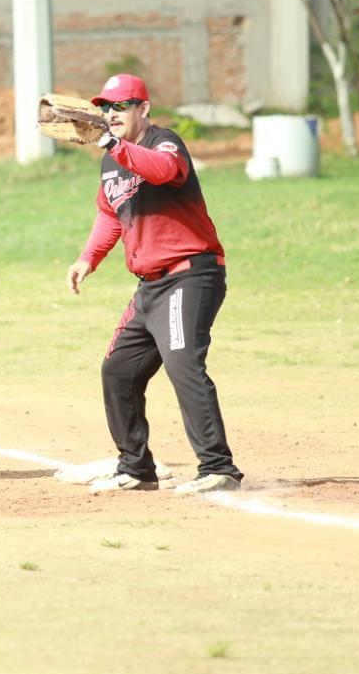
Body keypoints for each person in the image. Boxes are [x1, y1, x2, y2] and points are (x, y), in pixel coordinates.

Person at [66, 73, 243, 495]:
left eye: (120, 106)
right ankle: (136, 467)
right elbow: (110, 214)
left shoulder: (164, 142)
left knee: (183, 364)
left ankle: (219, 468)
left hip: (189, 274)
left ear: (142, 109)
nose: (110, 115)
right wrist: (88, 257)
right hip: (150, 285)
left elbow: (163, 171)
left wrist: (111, 145)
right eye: (105, 108)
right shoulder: (112, 162)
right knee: (119, 370)